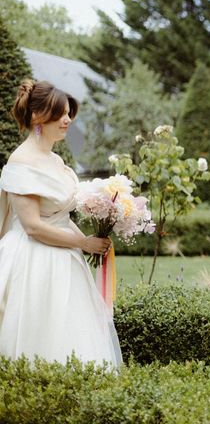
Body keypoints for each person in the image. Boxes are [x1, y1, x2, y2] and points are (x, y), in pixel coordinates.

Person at [0, 79, 122, 366]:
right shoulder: (22, 162)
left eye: (68, 113)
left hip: (65, 255)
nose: (67, 120)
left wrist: (91, 244)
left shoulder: (55, 159)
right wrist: (83, 242)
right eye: (60, 114)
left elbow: (60, 217)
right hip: (32, 259)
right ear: (37, 117)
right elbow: (33, 226)